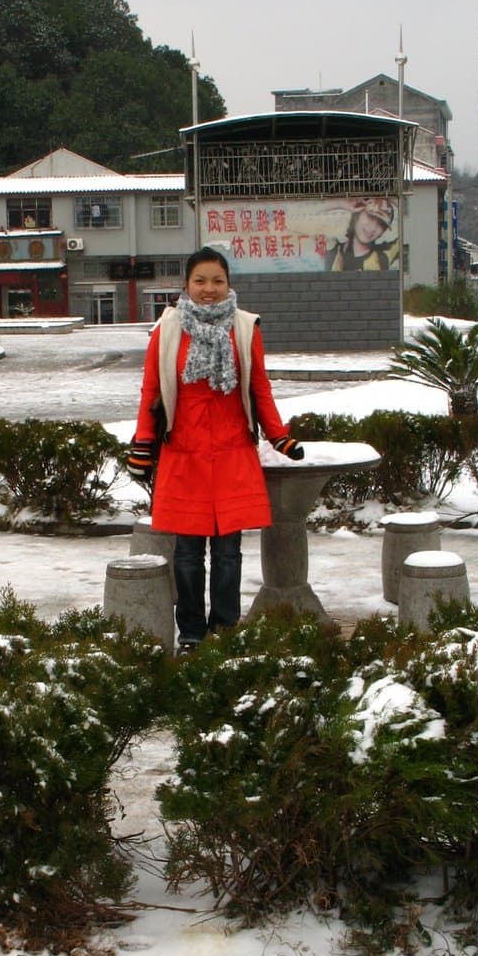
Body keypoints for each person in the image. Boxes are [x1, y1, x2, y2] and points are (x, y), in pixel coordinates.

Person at [126, 247, 302, 653]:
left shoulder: (245, 327)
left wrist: (279, 436)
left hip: (233, 455)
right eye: (200, 281)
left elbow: (259, 386)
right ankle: (190, 632)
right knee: (186, 554)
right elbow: (151, 391)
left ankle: (225, 630)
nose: (209, 289)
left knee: (228, 554)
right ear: (186, 285)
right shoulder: (167, 329)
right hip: (183, 455)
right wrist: (143, 442)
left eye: (217, 281)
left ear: (229, 284)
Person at [322, 196, 399, 272]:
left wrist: (394, 196)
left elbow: (410, 237)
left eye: (381, 224)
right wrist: (342, 204)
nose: (373, 227)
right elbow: (312, 213)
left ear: (384, 230)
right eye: (370, 216)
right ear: (357, 214)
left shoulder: (384, 255)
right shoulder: (333, 250)